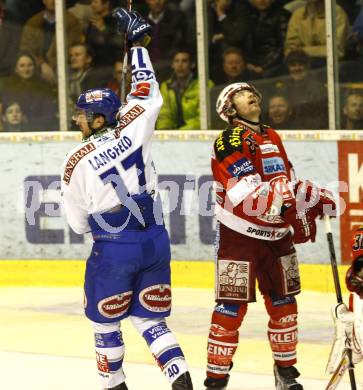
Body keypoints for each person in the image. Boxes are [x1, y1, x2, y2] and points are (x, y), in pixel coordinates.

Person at [60, 8, 193, 390]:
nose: (77, 122)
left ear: (99, 119)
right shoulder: (133, 126)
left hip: (114, 246)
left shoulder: (76, 158)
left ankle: (114, 384)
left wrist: (100, 233)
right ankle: (180, 378)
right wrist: (137, 45)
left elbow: (77, 221)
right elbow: (146, 91)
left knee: (104, 323)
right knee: (151, 321)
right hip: (154, 240)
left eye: (83, 116)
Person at [204, 82, 336, 389]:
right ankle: (216, 378)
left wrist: (310, 197)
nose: (251, 95)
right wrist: (291, 209)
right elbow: (246, 192)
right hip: (240, 237)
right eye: (240, 94)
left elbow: (285, 180)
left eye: (252, 92)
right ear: (229, 108)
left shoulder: (271, 135)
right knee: (230, 307)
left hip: (277, 236)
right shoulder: (229, 139)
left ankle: (285, 371)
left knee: (284, 303)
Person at [20, 0, 82, 84]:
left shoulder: (72, 22)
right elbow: (26, 48)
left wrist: (52, 67)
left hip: (62, 70)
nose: (53, 1)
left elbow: (72, 49)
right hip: (35, 69)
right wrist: (42, 64)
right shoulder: (33, 22)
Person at [157, 49, 214, 130]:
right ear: (172, 65)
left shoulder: (205, 85)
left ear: (192, 64)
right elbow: (164, 114)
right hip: (172, 136)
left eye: (184, 61)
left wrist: (179, 134)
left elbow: (203, 118)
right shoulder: (166, 86)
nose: (180, 65)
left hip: (196, 135)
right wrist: (163, 133)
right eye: (177, 61)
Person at [0, 52, 57, 131]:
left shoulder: (43, 88)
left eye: (29, 65)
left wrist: (30, 121)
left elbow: (49, 115)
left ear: (34, 67)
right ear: (16, 69)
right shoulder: (9, 89)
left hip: (39, 130)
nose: (26, 69)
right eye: (22, 66)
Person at [284, 0, 349, 69]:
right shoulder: (297, 14)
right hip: (301, 64)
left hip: (330, 67)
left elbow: (336, 51)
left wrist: (304, 50)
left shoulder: (336, 13)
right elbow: (289, 49)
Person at [274, 49, 328, 129]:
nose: (297, 68)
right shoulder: (283, 87)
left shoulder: (318, 88)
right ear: (288, 67)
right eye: (293, 65)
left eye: (300, 64)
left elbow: (322, 118)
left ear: (308, 66)